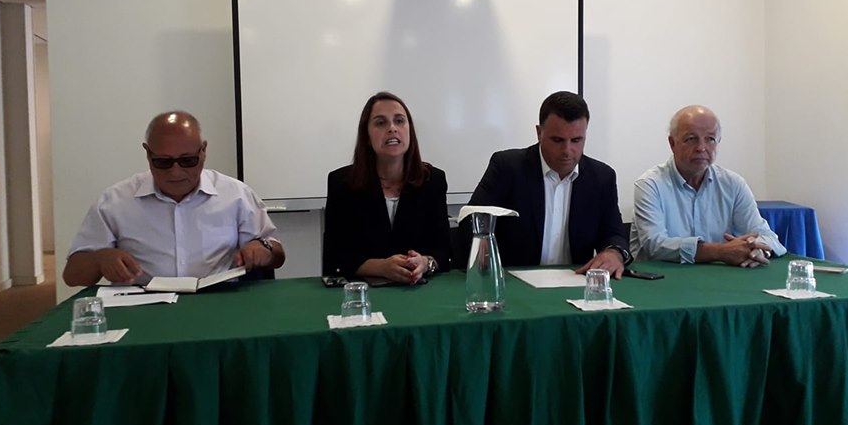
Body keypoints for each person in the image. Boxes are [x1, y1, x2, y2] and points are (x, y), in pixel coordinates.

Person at [63, 111, 285, 286]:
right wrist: (100, 259)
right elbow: (72, 276)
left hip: (218, 301)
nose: (175, 172)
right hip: (144, 305)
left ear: (203, 151)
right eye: (163, 162)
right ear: (148, 153)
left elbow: (276, 254)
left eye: (187, 161)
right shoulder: (115, 201)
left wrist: (262, 248)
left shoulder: (235, 195)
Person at [466, 91, 631, 278]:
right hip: (514, 282)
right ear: (539, 133)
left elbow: (614, 233)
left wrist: (614, 253)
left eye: (576, 140)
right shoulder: (507, 168)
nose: (567, 150)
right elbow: (472, 221)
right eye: (557, 140)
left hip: (575, 282)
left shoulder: (601, 177)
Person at [630, 105, 786, 267]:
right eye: (691, 139)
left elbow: (768, 237)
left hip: (720, 278)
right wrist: (721, 251)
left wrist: (756, 249)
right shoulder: (650, 184)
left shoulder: (733, 184)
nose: (701, 148)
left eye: (710, 139)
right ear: (672, 143)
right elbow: (655, 246)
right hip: (661, 277)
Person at [323, 91, 451, 285]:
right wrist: (381, 267)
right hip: (364, 293)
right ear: (367, 136)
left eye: (399, 121)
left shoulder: (432, 181)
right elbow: (335, 258)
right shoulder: (342, 183)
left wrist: (425, 263)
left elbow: (444, 251)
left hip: (418, 291)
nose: (392, 128)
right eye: (381, 123)